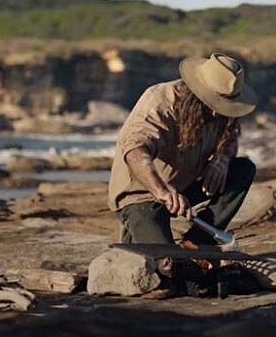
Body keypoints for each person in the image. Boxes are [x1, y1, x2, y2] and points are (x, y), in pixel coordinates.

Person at [108, 52, 257, 245]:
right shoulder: (160, 102)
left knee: (243, 170)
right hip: (143, 195)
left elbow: (230, 137)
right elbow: (135, 151)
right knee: (165, 263)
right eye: (214, 103)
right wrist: (163, 192)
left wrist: (221, 160)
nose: (216, 111)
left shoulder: (222, 114)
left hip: (184, 186)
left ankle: (198, 242)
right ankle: (137, 228)